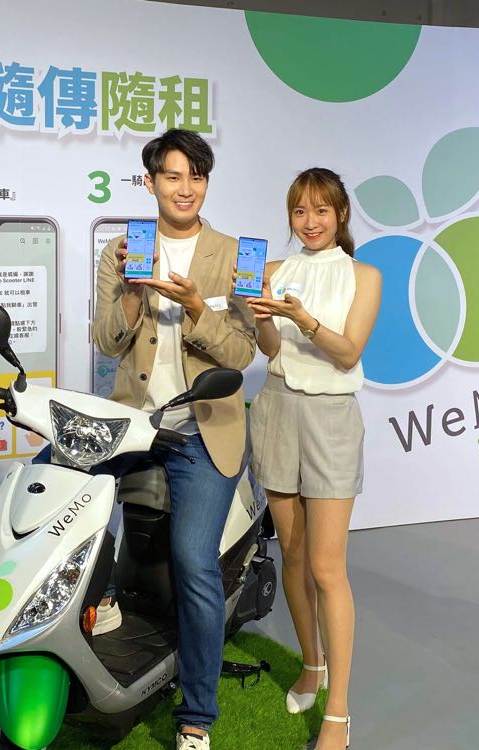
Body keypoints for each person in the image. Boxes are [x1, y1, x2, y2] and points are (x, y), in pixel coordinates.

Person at [91, 128, 257, 750]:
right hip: (134, 422)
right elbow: (106, 341)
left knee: (193, 561)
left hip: (202, 429)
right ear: (150, 182)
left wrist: (195, 308)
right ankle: (101, 598)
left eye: (196, 176)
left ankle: (196, 717)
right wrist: (133, 297)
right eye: (172, 176)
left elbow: (241, 354)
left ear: (206, 182)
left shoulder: (234, 255)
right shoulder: (121, 250)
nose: (185, 188)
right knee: (63, 493)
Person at [243, 168, 381, 750]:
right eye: (300, 211)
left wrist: (306, 320)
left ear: (341, 214)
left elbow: (348, 354)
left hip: (331, 418)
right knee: (294, 558)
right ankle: (311, 664)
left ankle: (338, 712)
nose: (310, 221)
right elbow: (271, 350)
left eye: (321, 210)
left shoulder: (364, 275)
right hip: (276, 409)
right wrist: (264, 321)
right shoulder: (273, 270)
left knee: (327, 568)